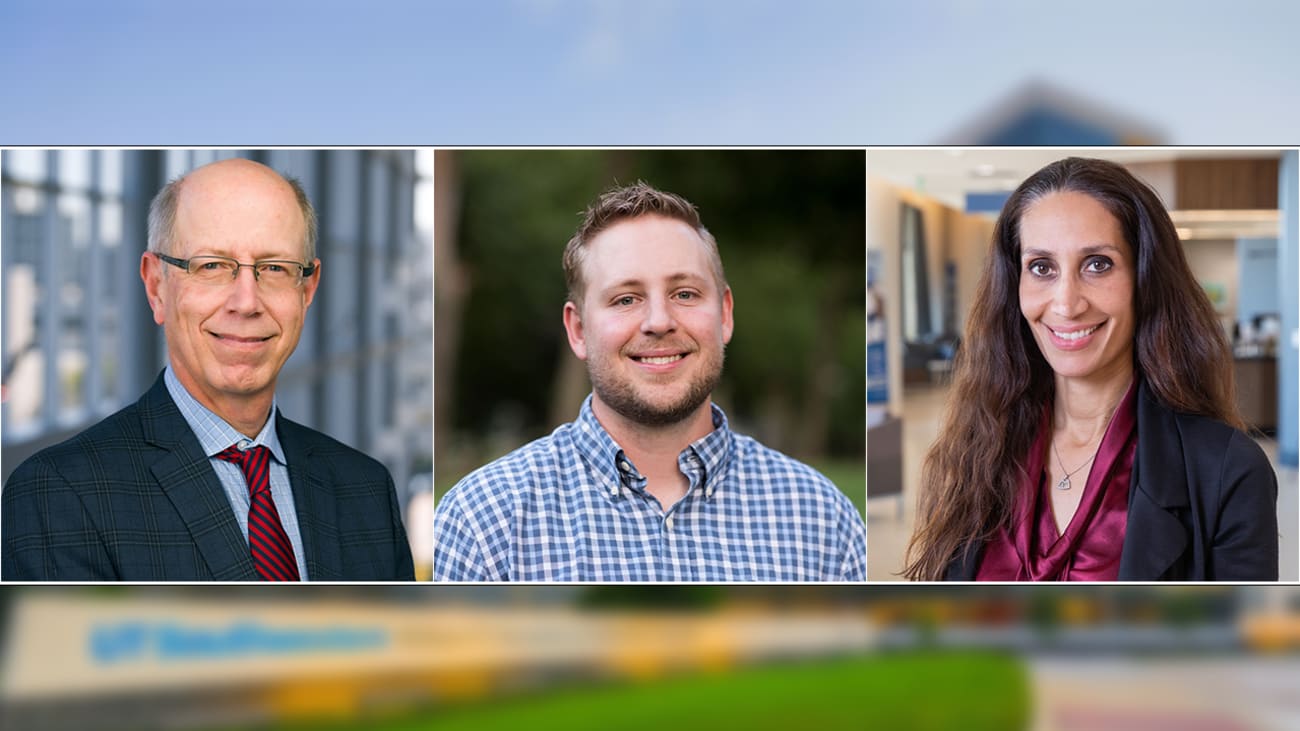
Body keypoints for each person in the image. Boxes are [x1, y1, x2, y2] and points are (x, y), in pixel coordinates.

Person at [2, 158, 415, 581]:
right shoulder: (58, 494)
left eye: (275, 268)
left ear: (307, 289)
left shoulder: (366, 489)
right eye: (212, 266)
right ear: (156, 286)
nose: (246, 301)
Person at [434, 182, 866, 581]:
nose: (659, 321)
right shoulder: (484, 523)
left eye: (685, 294)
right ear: (579, 330)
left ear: (725, 314)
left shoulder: (823, 520)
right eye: (626, 299)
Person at [904, 157, 1278, 581]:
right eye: (1041, 267)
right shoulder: (974, 452)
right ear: (1016, 287)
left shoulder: (1229, 470)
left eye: (1097, 263)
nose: (1066, 303)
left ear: (1144, 278)